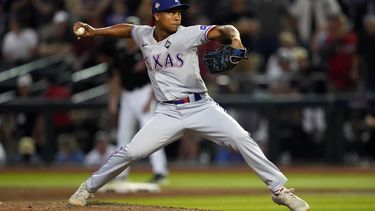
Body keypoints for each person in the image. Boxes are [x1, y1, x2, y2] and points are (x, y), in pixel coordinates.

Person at [68, 0, 310, 210]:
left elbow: (224, 29)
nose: (177, 15)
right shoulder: (143, 34)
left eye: (179, 11)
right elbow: (128, 30)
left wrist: (235, 38)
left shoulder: (188, 33)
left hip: (201, 107)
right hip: (167, 112)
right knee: (132, 152)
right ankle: (86, 188)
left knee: (242, 138)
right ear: (156, 16)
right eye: (171, 11)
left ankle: (279, 191)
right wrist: (95, 31)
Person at [108, 15, 168, 185]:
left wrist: (150, 98)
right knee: (123, 135)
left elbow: (156, 75)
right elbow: (116, 78)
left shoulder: (147, 49)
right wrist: (113, 100)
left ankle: (160, 171)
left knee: (151, 133)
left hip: (144, 93)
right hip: (127, 95)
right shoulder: (120, 53)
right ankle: (120, 173)